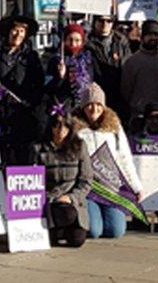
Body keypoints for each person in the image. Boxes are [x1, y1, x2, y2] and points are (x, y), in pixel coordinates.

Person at [75, 83, 142, 239]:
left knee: (116, 231)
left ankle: (101, 214)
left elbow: (124, 157)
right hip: (88, 189)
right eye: (89, 104)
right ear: (83, 106)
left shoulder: (114, 127)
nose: (94, 108)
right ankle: (89, 214)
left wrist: (136, 186)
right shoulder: (75, 128)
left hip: (111, 186)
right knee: (93, 231)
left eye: (98, 104)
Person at [0, 13, 45, 165]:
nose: (18, 34)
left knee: (21, 156)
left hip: (21, 113)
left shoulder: (31, 57)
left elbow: (38, 84)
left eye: (22, 31)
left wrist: (28, 103)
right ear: (8, 32)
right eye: (15, 30)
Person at [34, 105, 93, 248]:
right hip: (49, 201)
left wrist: (71, 197)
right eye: (56, 125)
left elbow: (86, 180)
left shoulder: (79, 146)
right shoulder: (38, 149)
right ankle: (56, 229)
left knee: (77, 241)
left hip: (72, 201)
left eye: (65, 126)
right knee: (51, 237)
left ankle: (63, 229)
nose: (61, 130)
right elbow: (33, 181)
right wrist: (49, 198)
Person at [120, 20, 158, 122]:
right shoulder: (132, 61)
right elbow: (126, 90)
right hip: (139, 117)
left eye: (156, 35)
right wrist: (138, 104)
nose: (153, 38)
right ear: (142, 37)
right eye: (149, 34)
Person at [85, 15, 130, 116]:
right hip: (96, 97)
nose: (105, 24)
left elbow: (128, 66)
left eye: (108, 21)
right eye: (101, 20)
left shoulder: (122, 42)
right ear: (95, 22)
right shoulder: (87, 43)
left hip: (119, 95)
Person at [47, 23, 97, 112]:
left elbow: (95, 80)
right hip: (64, 107)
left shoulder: (89, 59)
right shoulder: (56, 60)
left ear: (82, 41)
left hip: (85, 106)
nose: (73, 44)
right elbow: (47, 86)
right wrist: (60, 77)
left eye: (77, 40)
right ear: (64, 40)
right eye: (70, 39)